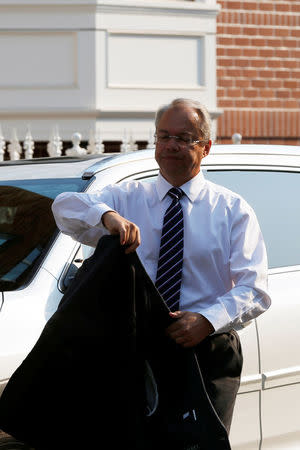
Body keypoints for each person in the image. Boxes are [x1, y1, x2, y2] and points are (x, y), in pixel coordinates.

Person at [52, 98, 271, 440]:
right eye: (163, 136)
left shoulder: (232, 210)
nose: (170, 145)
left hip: (205, 350)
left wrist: (207, 320)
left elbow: (254, 288)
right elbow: (65, 206)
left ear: (206, 147)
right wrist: (105, 216)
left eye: (184, 138)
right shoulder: (127, 198)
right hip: (135, 350)